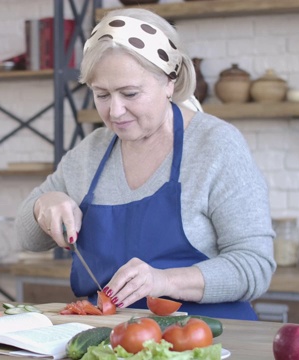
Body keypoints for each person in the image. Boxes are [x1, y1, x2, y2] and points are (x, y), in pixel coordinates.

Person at [15, 8, 275, 320]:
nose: (115, 111)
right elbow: (27, 237)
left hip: (210, 339)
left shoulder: (216, 146)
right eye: (102, 95)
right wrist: (44, 204)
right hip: (110, 339)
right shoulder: (91, 152)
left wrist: (163, 280)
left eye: (130, 93)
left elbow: (255, 266)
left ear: (169, 82)